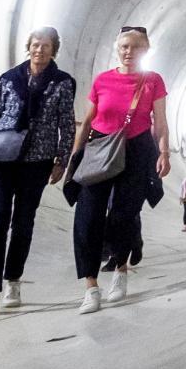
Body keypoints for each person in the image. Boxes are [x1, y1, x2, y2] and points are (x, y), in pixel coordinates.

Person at [0, 27, 76, 317]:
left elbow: (66, 122)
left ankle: (13, 280)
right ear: (29, 47)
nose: (40, 50)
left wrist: (61, 160)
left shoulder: (62, 83)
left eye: (46, 46)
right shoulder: (8, 79)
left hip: (36, 161)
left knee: (23, 222)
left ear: (54, 50)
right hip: (0, 158)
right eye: (36, 45)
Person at [66, 25, 168, 313]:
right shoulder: (102, 80)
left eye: (135, 47)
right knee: (87, 217)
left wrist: (163, 152)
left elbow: (160, 122)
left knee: (124, 215)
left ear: (145, 50)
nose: (128, 52)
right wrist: (76, 155)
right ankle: (91, 288)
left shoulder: (153, 81)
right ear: (117, 49)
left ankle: (121, 270)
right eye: (124, 46)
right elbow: (87, 121)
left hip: (136, 150)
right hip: (99, 149)